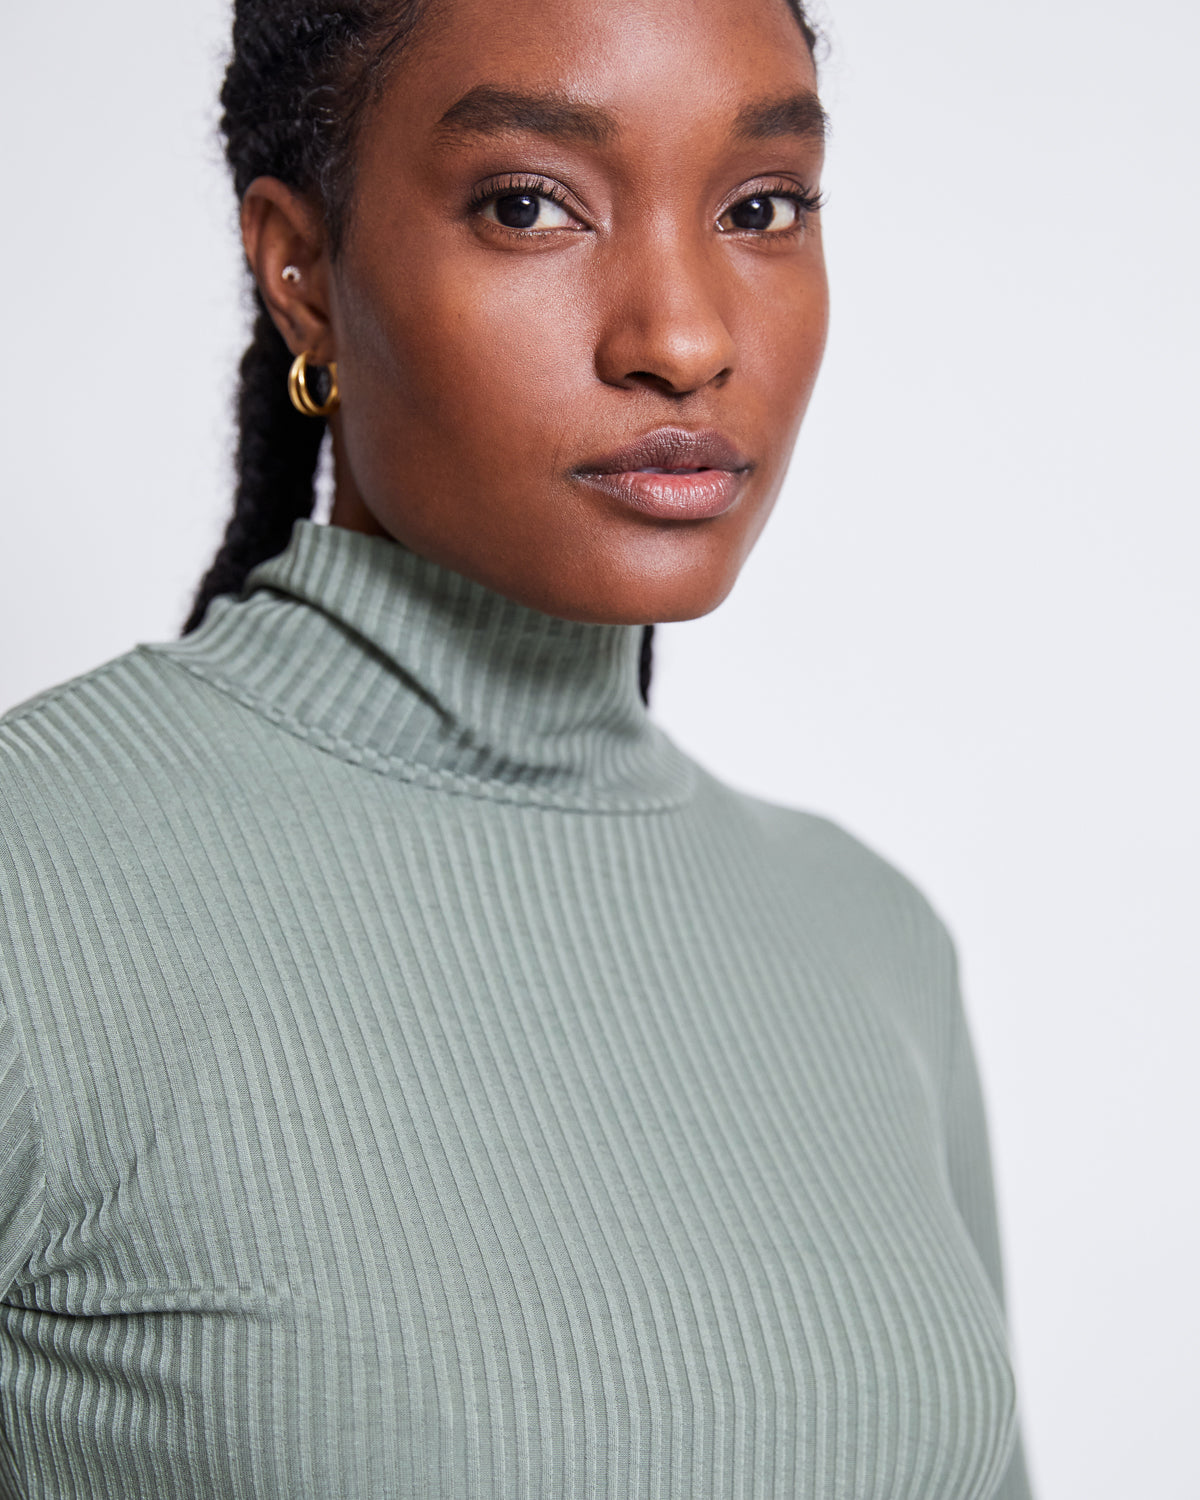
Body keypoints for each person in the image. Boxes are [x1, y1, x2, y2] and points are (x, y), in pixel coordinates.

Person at [0, 0, 1033, 1495]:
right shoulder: (35, 887)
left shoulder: (872, 943)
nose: (684, 339)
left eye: (762, 208)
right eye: (530, 205)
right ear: (301, 270)